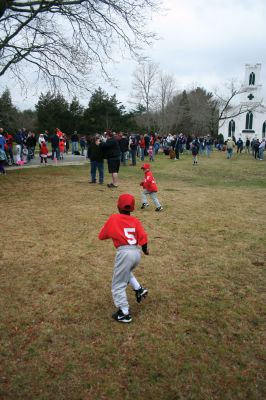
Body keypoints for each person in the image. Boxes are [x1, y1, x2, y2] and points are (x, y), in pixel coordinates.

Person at [98, 193, 149, 323]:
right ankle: (139, 289)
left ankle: (124, 312)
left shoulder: (114, 218)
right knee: (126, 272)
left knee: (117, 284)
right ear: (132, 208)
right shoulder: (135, 220)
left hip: (124, 252)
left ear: (118, 206)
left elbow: (101, 236)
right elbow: (143, 236)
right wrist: (145, 249)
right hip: (136, 252)